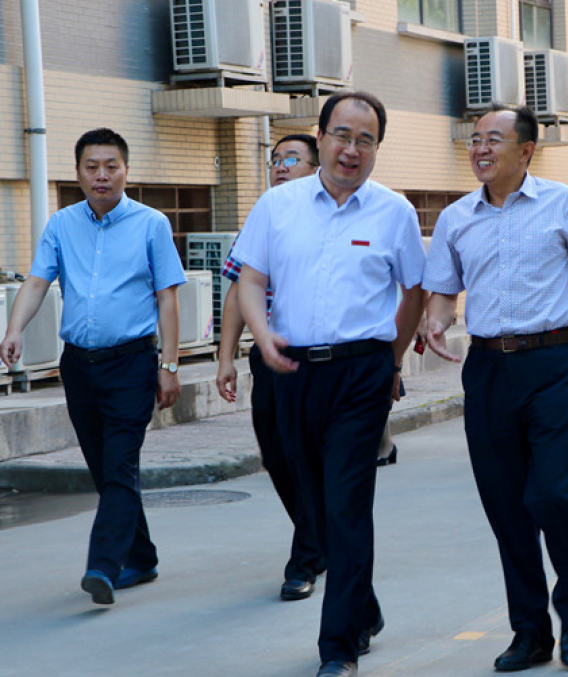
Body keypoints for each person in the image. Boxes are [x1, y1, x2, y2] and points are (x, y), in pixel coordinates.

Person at [232, 91, 425, 677]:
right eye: (342, 135)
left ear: (377, 148)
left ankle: (337, 649)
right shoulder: (277, 204)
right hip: (291, 371)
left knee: (346, 505)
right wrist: (262, 335)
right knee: (314, 508)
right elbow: (250, 278)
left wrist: (391, 360)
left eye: (366, 140)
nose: (352, 149)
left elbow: (414, 290)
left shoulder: (394, 211)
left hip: (360, 372)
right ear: (320, 138)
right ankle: (362, 606)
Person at [423, 104, 568, 672]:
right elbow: (443, 291)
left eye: (494, 139)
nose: (480, 149)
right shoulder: (456, 217)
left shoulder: (563, 203)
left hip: (551, 361)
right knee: (506, 507)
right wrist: (436, 320)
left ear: (526, 150)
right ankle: (530, 632)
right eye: (475, 139)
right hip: (487, 370)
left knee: (553, 493)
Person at [0, 128, 185, 604]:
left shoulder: (151, 224)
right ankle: (142, 557)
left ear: (126, 170)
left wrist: (169, 364)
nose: (101, 175)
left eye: (111, 166)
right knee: (105, 467)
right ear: (79, 173)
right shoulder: (61, 224)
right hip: (79, 366)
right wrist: (14, 329)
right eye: (91, 167)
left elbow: (167, 297)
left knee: (120, 463)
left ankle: (104, 564)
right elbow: (37, 282)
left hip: (132, 363)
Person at [215, 134, 325, 602]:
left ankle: (306, 557)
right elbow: (239, 290)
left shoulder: (332, 216)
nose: (280, 166)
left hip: (322, 357)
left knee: (309, 457)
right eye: (275, 159)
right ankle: (319, 535)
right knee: (277, 455)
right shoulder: (264, 215)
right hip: (269, 355)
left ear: (317, 166)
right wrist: (226, 357)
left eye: (292, 159)